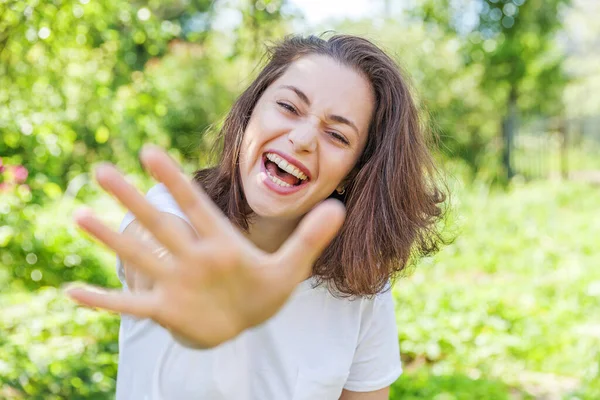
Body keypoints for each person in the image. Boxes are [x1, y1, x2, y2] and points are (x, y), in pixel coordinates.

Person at [67, 34, 446, 400]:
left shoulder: (362, 283)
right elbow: (156, 261)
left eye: (337, 135)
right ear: (249, 114)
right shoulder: (170, 208)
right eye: (288, 107)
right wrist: (203, 303)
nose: (302, 138)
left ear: (353, 171)